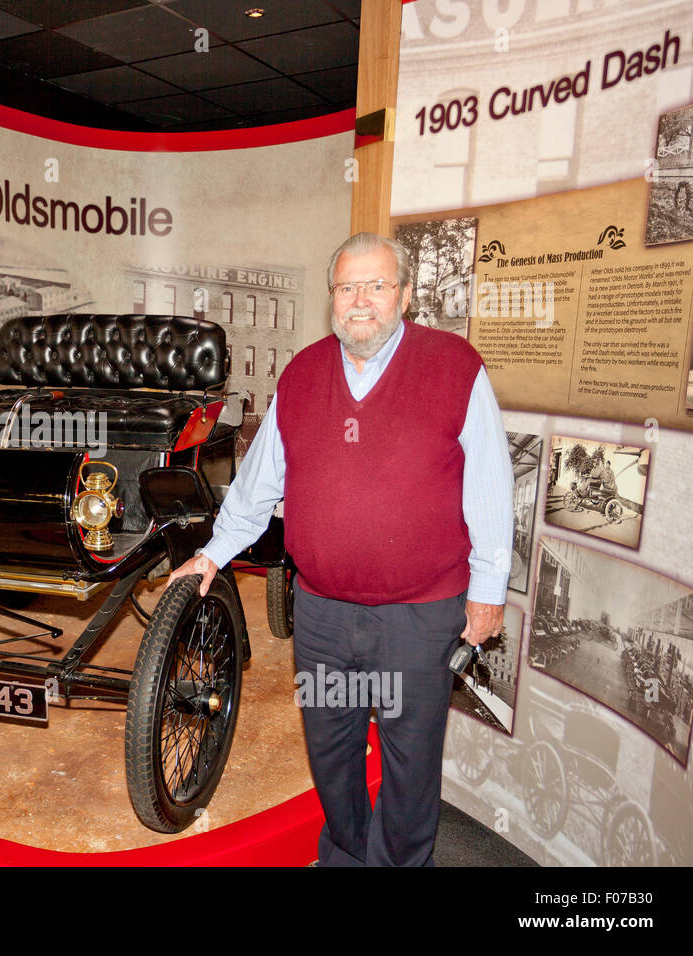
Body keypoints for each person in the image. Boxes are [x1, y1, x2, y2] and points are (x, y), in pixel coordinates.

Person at [168, 232, 513, 867]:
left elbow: (490, 488)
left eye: (377, 286)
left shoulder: (454, 366)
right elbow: (257, 485)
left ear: (405, 296)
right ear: (333, 297)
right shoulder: (301, 376)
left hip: (420, 614)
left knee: (410, 763)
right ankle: (348, 856)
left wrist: (488, 593)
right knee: (331, 751)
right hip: (322, 614)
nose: (361, 301)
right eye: (347, 287)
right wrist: (213, 554)